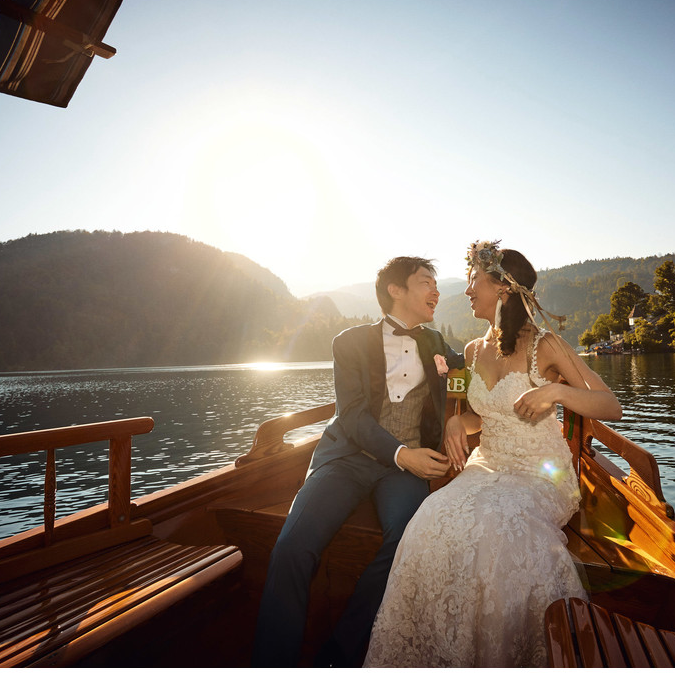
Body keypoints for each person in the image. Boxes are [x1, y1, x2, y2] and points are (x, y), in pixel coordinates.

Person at [364, 241, 623, 667]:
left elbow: (610, 405)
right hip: (487, 467)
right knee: (428, 519)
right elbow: (473, 416)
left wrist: (556, 390)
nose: (466, 290)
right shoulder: (470, 351)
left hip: (540, 474)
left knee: (496, 530)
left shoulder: (547, 346)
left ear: (502, 288)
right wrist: (453, 421)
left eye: (473, 281)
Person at [251, 256, 465, 668]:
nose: (435, 290)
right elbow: (351, 416)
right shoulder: (348, 342)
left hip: (403, 470)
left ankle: (340, 656)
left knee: (407, 541)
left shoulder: (436, 343)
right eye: (426, 282)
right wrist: (404, 454)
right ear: (395, 290)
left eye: (436, 283)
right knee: (293, 545)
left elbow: (469, 374)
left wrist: (455, 414)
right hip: (347, 458)